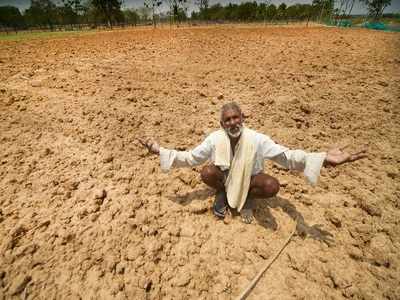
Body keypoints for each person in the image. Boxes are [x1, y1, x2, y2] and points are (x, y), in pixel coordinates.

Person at [139, 102, 366, 224]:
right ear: (222, 123)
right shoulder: (214, 138)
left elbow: (285, 156)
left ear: (242, 118)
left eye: (236, 117)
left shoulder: (257, 138)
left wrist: (323, 158)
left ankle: (246, 196)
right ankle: (223, 193)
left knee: (271, 186)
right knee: (207, 171)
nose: (232, 122)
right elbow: (190, 157)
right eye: (227, 119)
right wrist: (160, 150)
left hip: (250, 180)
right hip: (225, 177)